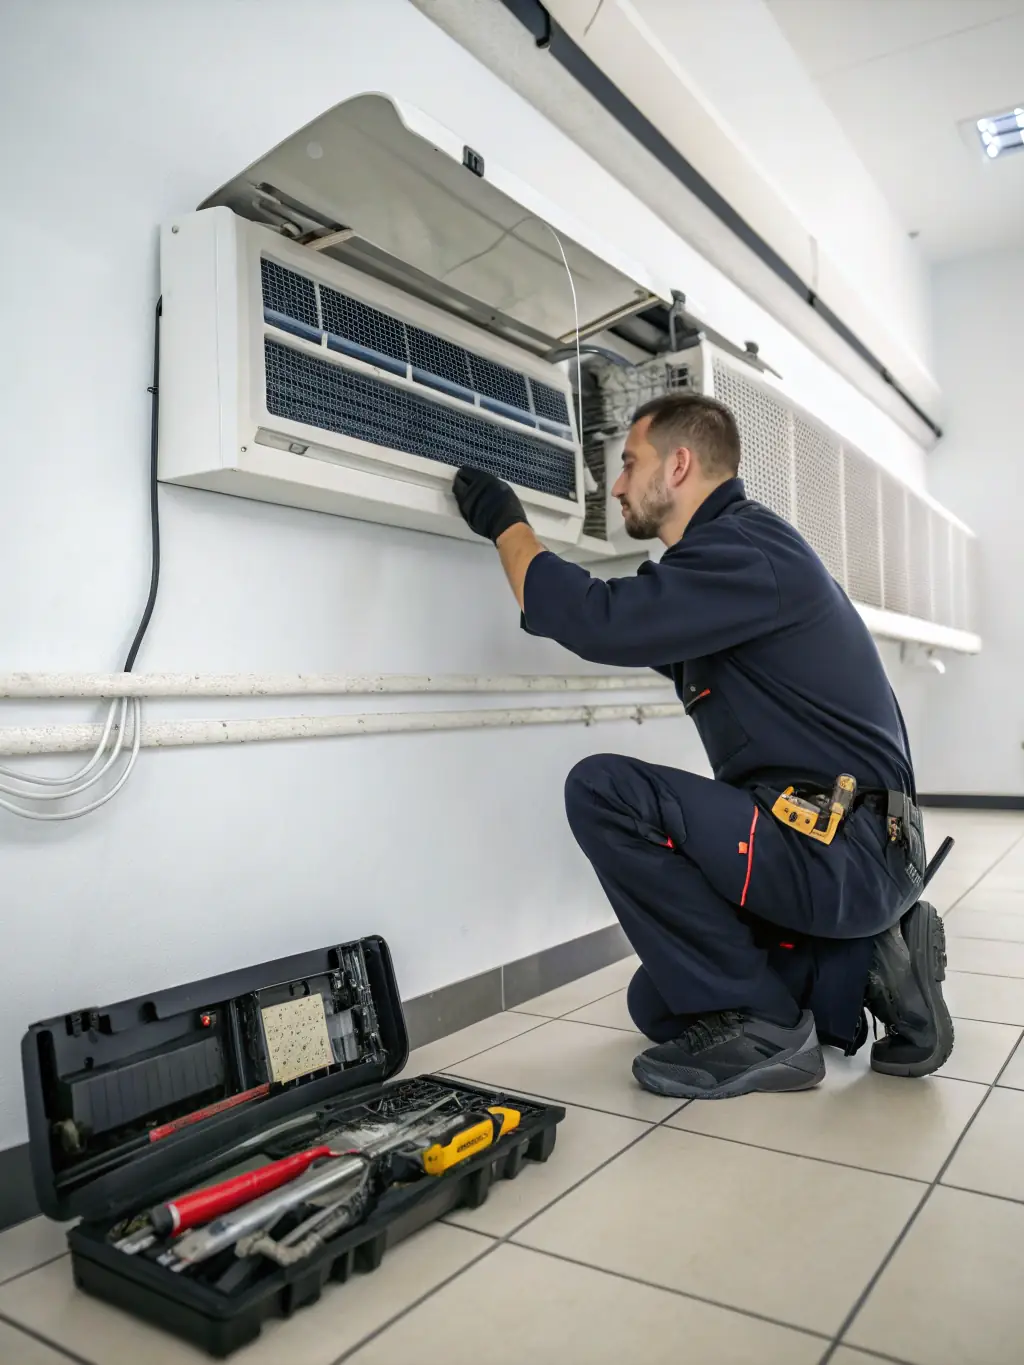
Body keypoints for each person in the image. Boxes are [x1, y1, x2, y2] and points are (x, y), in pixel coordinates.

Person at [452, 392, 954, 1100]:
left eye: (629, 463)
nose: (618, 484)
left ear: (679, 464)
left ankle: (769, 1026)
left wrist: (508, 526)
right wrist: (555, 598)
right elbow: (618, 623)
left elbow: (601, 619)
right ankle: (869, 968)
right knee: (658, 1002)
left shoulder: (741, 550)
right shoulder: (731, 565)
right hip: (841, 847)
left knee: (602, 790)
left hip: (844, 849)